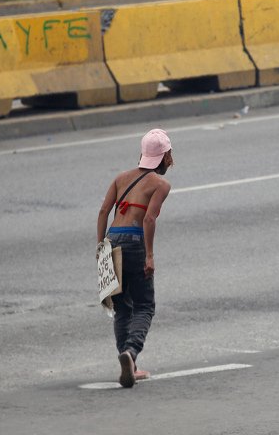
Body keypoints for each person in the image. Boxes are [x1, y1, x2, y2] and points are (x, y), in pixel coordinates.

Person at [96, 128, 173, 388]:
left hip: (111, 240)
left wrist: (101, 248)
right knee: (144, 306)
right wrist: (149, 255)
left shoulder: (121, 178)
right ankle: (131, 352)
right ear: (165, 157)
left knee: (122, 307)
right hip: (134, 241)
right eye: (169, 155)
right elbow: (149, 219)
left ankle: (129, 363)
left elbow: (104, 211)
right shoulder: (160, 185)